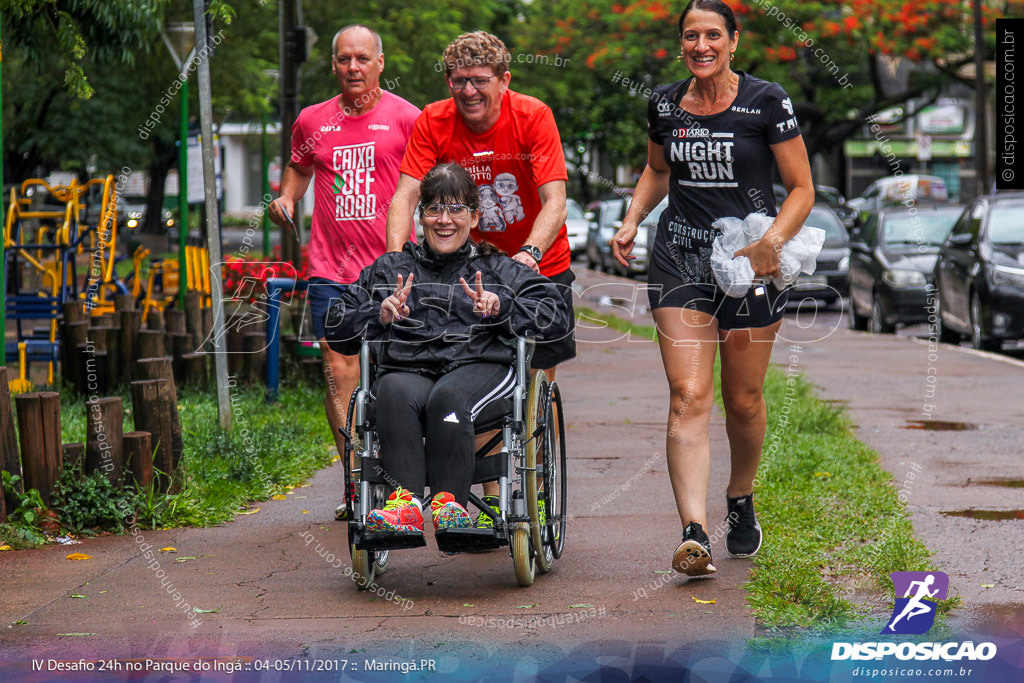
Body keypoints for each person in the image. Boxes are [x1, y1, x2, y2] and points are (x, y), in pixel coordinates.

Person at [611, 0, 814, 576]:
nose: (701, 45)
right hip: (679, 258)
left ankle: (741, 497)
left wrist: (772, 243)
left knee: (743, 400)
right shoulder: (665, 103)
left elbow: (801, 188)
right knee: (688, 394)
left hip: (750, 260)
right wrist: (632, 219)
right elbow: (657, 170)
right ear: (681, 44)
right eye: (691, 36)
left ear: (733, 42)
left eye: (712, 36)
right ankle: (693, 531)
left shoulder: (766, 101)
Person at [384, 31, 576, 525]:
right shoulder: (434, 120)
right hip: (464, 266)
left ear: (503, 81)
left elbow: (554, 198)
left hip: (535, 266)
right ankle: (489, 489)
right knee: (474, 368)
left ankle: (532, 471)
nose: (468, 91)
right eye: (459, 81)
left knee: (530, 381)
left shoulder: (533, 116)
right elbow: (406, 196)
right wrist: (394, 268)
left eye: (479, 81)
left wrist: (529, 255)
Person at [324, 163, 571, 537]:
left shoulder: (498, 268)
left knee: (449, 396)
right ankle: (404, 505)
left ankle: (449, 506)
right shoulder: (393, 268)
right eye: (434, 209)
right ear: (420, 216)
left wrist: (501, 307)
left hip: (479, 369)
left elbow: (556, 317)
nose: (444, 220)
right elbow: (335, 324)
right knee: (391, 391)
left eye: (456, 209)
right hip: (410, 370)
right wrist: (380, 313)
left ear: (474, 216)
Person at [268, 25, 420, 519]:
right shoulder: (312, 120)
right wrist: (288, 197)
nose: (352, 67)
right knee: (338, 372)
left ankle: (403, 482)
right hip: (331, 270)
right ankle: (356, 483)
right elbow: (299, 167)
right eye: (343, 59)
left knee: (402, 374)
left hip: (395, 267)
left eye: (361, 58)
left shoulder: (408, 118)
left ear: (380, 62)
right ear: (333, 65)